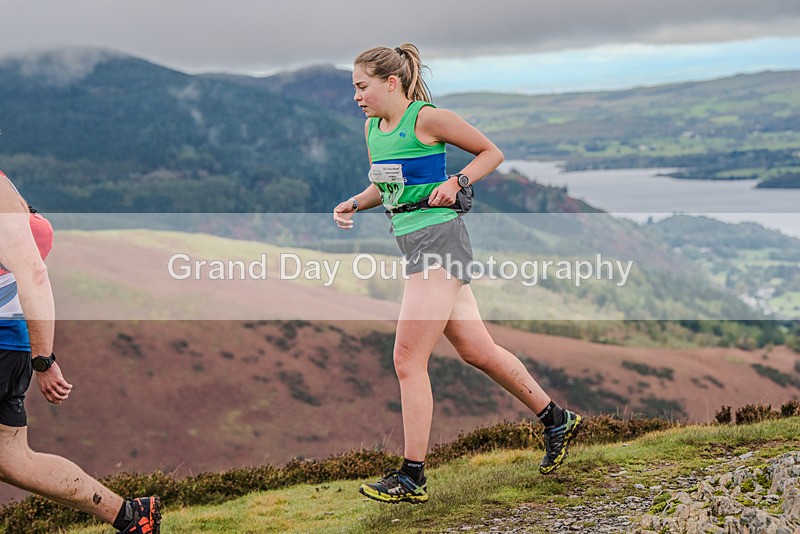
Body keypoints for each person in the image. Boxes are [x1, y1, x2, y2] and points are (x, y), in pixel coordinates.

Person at [333, 44, 582, 504]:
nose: (356, 97)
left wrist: (457, 181)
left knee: (407, 359)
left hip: (440, 242)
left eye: (362, 87)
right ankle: (556, 419)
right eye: (354, 88)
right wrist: (355, 201)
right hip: (412, 244)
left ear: (391, 83)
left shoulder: (428, 119)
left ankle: (412, 476)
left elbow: (491, 153)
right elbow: (385, 184)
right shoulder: (373, 129)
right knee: (478, 350)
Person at [0, 170, 161, 533]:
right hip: (11, 342)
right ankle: (133, 517)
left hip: (5, 342)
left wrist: (44, 360)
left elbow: (35, 275)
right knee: (12, 460)